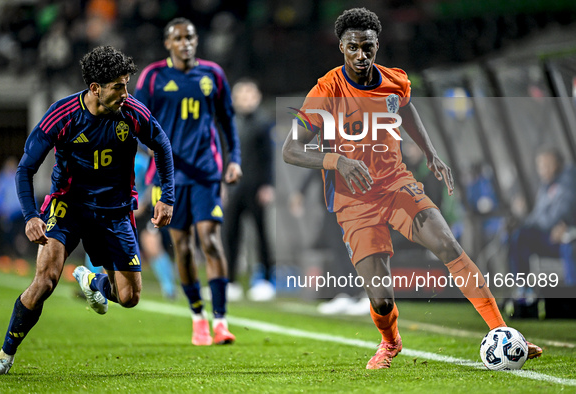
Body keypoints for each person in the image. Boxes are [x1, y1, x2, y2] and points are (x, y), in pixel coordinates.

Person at [281, 8, 542, 369]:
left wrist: (431, 153)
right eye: (353, 47)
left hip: (397, 184)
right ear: (341, 47)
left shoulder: (395, 81)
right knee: (382, 299)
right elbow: (291, 150)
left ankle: (504, 332)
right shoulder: (327, 91)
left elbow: (406, 109)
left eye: (368, 47)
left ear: (377, 44)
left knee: (448, 245)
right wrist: (336, 161)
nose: (361, 55)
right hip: (354, 201)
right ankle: (390, 342)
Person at [0, 45, 175, 376]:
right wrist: (31, 215)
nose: (125, 93)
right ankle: (5, 355)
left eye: (127, 84)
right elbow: (25, 168)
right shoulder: (63, 115)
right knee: (45, 280)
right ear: (95, 88)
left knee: (129, 297)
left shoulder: (132, 112)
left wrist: (166, 196)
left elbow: (162, 146)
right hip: (68, 205)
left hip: (115, 210)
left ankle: (93, 282)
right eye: (119, 86)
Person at [135, 17, 242, 346]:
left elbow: (226, 119)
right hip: (166, 179)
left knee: (209, 240)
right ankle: (198, 317)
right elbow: (135, 121)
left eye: (190, 37)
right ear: (168, 43)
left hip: (206, 172)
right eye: (178, 38)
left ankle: (221, 320)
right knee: (181, 246)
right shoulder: (153, 77)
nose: (186, 43)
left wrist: (234, 159)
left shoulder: (213, 74)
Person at [223, 79, 275, 302]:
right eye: (241, 95)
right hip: (234, 188)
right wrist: (222, 185)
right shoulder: (230, 122)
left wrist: (267, 185)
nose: (246, 99)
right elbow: (224, 156)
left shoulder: (263, 123)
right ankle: (231, 281)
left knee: (260, 234)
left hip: (256, 188)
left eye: (249, 95)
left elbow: (269, 158)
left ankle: (266, 280)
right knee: (231, 235)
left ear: (257, 97)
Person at [508, 147, 576, 303]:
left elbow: (557, 216)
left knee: (569, 246)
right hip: (548, 235)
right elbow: (538, 216)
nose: (543, 170)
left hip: (563, 236)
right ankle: (523, 288)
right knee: (518, 236)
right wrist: (525, 220)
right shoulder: (546, 186)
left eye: (547, 165)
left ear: (558, 164)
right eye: (540, 166)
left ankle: (571, 295)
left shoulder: (566, 183)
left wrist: (532, 223)